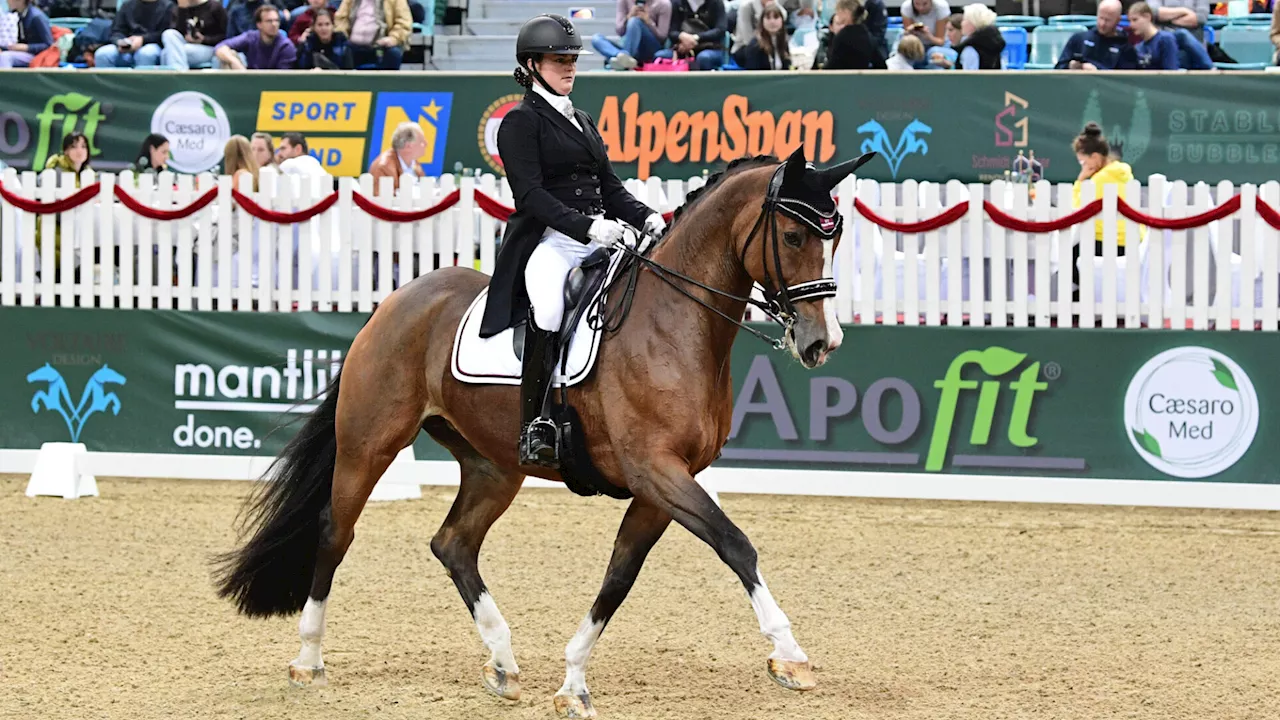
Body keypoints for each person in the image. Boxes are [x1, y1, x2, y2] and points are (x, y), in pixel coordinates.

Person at [478, 15, 665, 468]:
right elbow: (531, 196)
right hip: (551, 243)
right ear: (532, 64)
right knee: (547, 306)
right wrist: (587, 227)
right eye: (559, 60)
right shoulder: (519, 122)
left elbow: (610, 186)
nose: (569, 68)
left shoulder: (580, 118)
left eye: (573, 59)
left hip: (602, 237)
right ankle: (533, 426)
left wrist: (649, 218)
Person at [1070, 122, 1135, 300]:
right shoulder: (1121, 173)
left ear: (1096, 157)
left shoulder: (1100, 179)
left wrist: (1080, 179)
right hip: (1130, 239)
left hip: (1112, 241)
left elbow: (1078, 208)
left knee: (1068, 257)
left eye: (1083, 161)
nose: (1082, 165)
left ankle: (1091, 296)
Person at [1054, 0, 1136, 70]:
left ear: (1118, 20)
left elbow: (1125, 81)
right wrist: (1070, 66)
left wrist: (1097, 71)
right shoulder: (1078, 39)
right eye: (1101, 18)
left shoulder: (1126, 48)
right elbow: (1057, 69)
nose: (1102, 24)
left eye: (1108, 20)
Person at [592, 0, 670, 69]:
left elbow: (662, 37)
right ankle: (621, 56)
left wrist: (648, 22)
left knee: (634, 21)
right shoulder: (624, 1)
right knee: (596, 39)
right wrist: (628, 17)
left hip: (650, 48)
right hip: (630, 45)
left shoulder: (663, 4)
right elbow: (620, 31)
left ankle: (624, 59)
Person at [214, 3, 296, 69]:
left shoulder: (286, 46)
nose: (274, 24)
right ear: (259, 24)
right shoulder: (251, 37)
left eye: (276, 21)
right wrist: (234, 62)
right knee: (225, 57)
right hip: (250, 82)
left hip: (273, 86)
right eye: (269, 21)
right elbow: (220, 47)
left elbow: (283, 79)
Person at [333, 0, 411, 70]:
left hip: (380, 47)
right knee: (339, 49)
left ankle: (388, 84)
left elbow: (404, 23)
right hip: (353, 46)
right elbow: (340, 18)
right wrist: (344, 35)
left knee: (394, 53)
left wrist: (394, 38)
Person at [94, 0, 174, 68]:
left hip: (153, 44)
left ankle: (143, 86)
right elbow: (116, 31)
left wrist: (143, 39)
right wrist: (120, 42)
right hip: (127, 46)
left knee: (146, 54)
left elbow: (165, 33)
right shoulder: (127, 5)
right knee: (102, 54)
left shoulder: (168, 6)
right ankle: (107, 86)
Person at [655, 0, 727, 70]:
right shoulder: (677, 2)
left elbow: (720, 30)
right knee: (660, 56)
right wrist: (681, 36)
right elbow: (672, 31)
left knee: (704, 58)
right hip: (681, 48)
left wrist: (695, 38)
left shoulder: (716, 2)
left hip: (710, 47)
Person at [161, 0, 228, 69]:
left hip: (209, 48)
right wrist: (182, 10)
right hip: (184, 45)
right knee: (168, 33)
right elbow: (177, 33)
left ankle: (178, 75)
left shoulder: (214, 7)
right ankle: (179, 72)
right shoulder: (178, 9)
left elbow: (225, 36)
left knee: (167, 54)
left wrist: (204, 39)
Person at [822, 0, 886, 69]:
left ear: (845, 12)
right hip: (863, 78)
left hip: (844, 78)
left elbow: (832, 66)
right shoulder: (866, 34)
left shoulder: (843, 36)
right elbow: (881, 64)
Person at [368, 121, 426, 193]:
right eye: (422, 142)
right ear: (408, 146)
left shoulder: (414, 164)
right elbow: (380, 200)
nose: (426, 144)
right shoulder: (383, 168)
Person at [732, 2, 790, 69]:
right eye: (768, 18)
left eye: (776, 17)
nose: (772, 22)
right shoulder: (755, 46)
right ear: (762, 22)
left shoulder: (783, 41)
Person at [0, 0, 53, 68]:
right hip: (22, 53)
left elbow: (48, 44)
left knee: (5, 57)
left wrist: (27, 47)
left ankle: (4, 78)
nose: (7, 1)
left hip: (37, 55)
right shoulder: (18, 14)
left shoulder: (36, 17)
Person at [1128, 1, 1177, 69]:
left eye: (1135, 20)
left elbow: (1171, 70)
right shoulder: (1138, 47)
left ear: (1148, 17)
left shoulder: (1165, 39)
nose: (1131, 25)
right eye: (1129, 21)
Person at [952, 3, 1002, 69]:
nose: (962, 24)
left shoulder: (970, 50)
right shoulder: (996, 45)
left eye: (964, 20)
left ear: (973, 23)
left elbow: (969, 77)